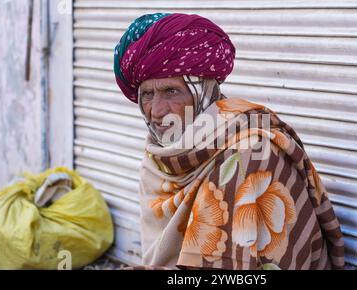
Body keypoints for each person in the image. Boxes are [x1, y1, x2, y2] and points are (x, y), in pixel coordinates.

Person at [114, 12, 344, 270]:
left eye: (171, 91)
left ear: (202, 92)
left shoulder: (249, 151)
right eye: (147, 94)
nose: (156, 110)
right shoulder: (158, 156)